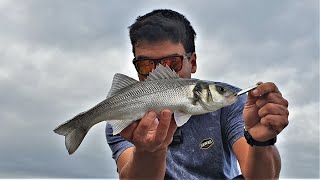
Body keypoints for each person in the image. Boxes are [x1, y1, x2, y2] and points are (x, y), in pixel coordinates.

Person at [106, 9, 289, 179]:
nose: (158, 74)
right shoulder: (122, 114)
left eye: (171, 63)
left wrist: (260, 141)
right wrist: (150, 150)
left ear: (192, 62)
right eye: (146, 65)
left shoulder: (229, 102)